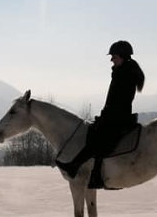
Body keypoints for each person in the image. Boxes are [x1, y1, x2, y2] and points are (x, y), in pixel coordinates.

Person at [57, 40, 146, 186]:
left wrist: (107, 116)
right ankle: (83, 169)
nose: (111, 59)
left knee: (97, 140)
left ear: (123, 56)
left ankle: (84, 170)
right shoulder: (122, 71)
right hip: (114, 115)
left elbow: (119, 100)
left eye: (114, 56)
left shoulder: (125, 74)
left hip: (119, 117)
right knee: (94, 135)